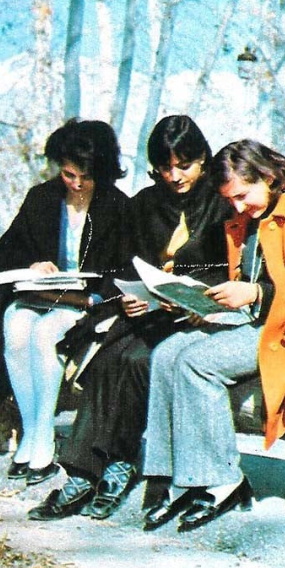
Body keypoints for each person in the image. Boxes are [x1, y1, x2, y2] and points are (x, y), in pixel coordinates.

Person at [29, 116, 230, 521]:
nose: (174, 176)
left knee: (140, 363)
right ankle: (82, 473)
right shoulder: (144, 203)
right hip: (148, 312)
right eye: (165, 167)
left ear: (204, 160)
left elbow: (226, 270)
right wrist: (132, 295)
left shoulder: (222, 202)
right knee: (107, 362)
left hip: (197, 316)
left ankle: (119, 464)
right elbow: (125, 266)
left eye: (184, 165)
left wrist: (184, 295)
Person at [140, 140, 285, 532]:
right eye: (231, 200)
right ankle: (169, 478)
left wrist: (259, 293)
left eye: (243, 195)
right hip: (252, 318)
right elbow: (244, 278)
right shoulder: (246, 217)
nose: (238, 207)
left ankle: (226, 481)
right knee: (166, 354)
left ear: (269, 175)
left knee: (196, 363)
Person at [0, 118, 130, 484]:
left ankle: (41, 442)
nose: (78, 184)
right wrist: (32, 264)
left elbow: (126, 268)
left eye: (86, 176)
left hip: (86, 304)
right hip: (40, 294)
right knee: (16, 327)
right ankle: (36, 433)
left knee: (44, 334)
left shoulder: (117, 205)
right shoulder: (42, 197)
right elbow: (5, 251)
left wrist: (97, 290)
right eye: (70, 175)